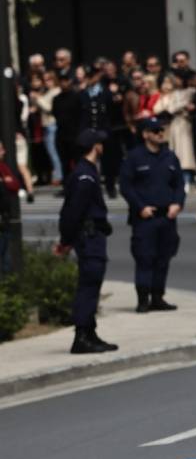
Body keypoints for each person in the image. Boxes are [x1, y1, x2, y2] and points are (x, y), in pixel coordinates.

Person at [56, 128, 117, 355]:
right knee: (89, 287)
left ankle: (90, 333)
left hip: (92, 235)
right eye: (100, 143)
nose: (103, 146)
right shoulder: (84, 175)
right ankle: (82, 336)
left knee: (92, 284)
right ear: (95, 147)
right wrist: (66, 240)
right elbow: (73, 212)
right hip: (88, 237)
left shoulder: (87, 171)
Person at [119, 115, 184, 314]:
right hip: (146, 217)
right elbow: (126, 186)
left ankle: (158, 297)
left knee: (164, 257)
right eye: (155, 131)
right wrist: (140, 207)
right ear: (145, 134)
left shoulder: (170, 156)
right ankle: (143, 299)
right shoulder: (134, 157)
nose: (160, 134)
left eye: (161, 131)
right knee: (145, 258)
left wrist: (177, 203)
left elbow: (179, 184)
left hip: (167, 216)